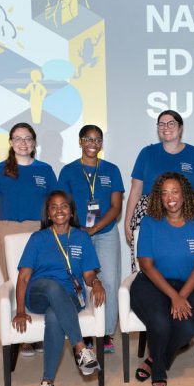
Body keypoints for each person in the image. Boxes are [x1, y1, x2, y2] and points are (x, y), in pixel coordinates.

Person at [12, 190, 105, 386]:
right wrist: (20, 310)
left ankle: (47, 383)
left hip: (70, 297)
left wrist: (98, 284)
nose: (59, 210)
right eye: (54, 207)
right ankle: (81, 348)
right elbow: (24, 276)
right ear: (49, 213)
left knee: (55, 317)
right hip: (38, 293)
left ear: (72, 211)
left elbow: (89, 275)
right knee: (52, 287)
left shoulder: (82, 237)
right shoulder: (38, 238)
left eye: (64, 206)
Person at [130, 172, 194, 386]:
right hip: (151, 284)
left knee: (186, 327)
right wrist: (174, 296)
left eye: (175, 191)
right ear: (159, 197)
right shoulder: (150, 222)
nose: (170, 197)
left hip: (188, 285)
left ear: (185, 194)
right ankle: (159, 370)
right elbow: (146, 265)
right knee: (161, 323)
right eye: (164, 193)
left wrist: (181, 295)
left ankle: (155, 358)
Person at [0, 122, 57, 357]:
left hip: (39, 230)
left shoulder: (45, 170)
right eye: (18, 138)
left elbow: (54, 204)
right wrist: (3, 228)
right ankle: (22, 336)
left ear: (34, 142)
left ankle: (38, 334)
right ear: (11, 143)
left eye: (27, 138)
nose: (23, 143)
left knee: (40, 279)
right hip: (10, 229)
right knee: (15, 280)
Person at [58, 124, 124, 353]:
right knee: (79, 282)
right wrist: (78, 231)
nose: (93, 144)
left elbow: (116, 207)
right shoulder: (67, 172)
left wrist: (95, 228)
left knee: (108, 281)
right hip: (76, 234)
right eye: (88, 139)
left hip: (105, 233)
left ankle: (105, 334)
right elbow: (62, 206)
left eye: (97, 140)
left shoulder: (112, 170)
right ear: (80, 141)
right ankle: (84, 332)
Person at [124, 110, 194, 271]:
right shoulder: (147, 153)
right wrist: (128, 221)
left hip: (186, 215)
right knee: (149, 265)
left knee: (186, 262)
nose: (166, 127)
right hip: (148, 214)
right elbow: (135, 190)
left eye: (171, 123)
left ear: (180, 128)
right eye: (161, 124)